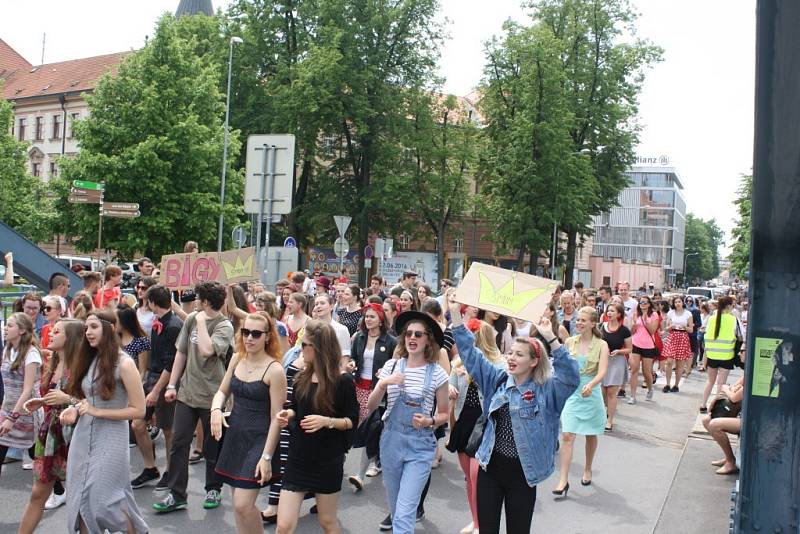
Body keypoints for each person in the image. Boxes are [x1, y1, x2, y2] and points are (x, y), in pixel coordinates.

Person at [449, 291, 579, 534]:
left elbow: (571, 376)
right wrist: (456, 314)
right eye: (510, 353)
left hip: (523, 474)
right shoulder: (497, 380)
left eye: (519, 355)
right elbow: (471, 355)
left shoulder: (547, 391)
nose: (511, 358)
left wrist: (551, 338)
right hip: (490, 469)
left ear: (533, 362)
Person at [59, 310, 148, 533]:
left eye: (93, 327)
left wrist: (96, 411)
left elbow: (139, 410)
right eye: (86, 328)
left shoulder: (125, 363)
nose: (88, 332)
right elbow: (87, 400)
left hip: (111, 439)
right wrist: (74, 409)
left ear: (109, 328)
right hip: (83, 436)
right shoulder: (89, 359)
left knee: (106, 502)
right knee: (79, 499)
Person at [271, 320, 359, 534]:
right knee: (283, 526)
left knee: (327, 522)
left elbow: (352, 421)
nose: (300, 348)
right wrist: (288, 414)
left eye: (304, 344)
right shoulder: (301, 376)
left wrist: (326, 421)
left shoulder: (342, 381)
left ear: (318, 348)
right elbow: (295, 408)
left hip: (327, 460)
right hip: (298, 457)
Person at [366, 311, 450, 534]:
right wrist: (383, 384)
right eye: (408, 333)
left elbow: (444, 414)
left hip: (420, 446)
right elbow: (370, 406)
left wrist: (430, 420)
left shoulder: (438, 373)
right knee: (396, 511)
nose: (412, 338)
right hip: (390, 442)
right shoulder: (392, 367)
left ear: (428, 339)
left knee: (404, 514)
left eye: (419, 334)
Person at [154, 282, 234, 513]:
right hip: (187, 393)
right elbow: (182, 353)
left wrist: (200, 321)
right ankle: (177, 494)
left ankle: (213, 489)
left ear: (206, 302)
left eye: (199, 299)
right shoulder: (190, 321)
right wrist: (171, 384)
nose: (195, 302)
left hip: (213, 397)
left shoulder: (224, 325)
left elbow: (207, 351)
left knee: (212, 446)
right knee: (179, 443)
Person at [211, 313, 287, 534]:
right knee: (238, 504)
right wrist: (216, 409)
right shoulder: (236, 358)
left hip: (260, 439)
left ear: (267, 337)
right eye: (245, 332)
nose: (249, 338)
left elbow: (277, 418)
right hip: (235, 435)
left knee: (243, 503)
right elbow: (222, 391)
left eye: (256, 333)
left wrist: (266, 457)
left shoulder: (275, 370)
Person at [18, 319, 84, 529]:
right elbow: (56, 395)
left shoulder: (83, 367)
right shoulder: (54, 362)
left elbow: (95, 402)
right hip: (51, 432)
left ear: (70, 339)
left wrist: (68, 401)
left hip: (76, 434)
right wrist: (42, 402)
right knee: (38, 494)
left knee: (82, 498)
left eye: (57, 331)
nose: (51, 334)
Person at [447, 319, 506, 534]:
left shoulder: (499, 364)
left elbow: (501, 393)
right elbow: (450, 385)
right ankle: (475, 521)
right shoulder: (458, 362)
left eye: (473, 337)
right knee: (468, 479)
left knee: (477, 478)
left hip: (485, 424)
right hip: (464, 421)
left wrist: (475, 377)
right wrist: (451, 389)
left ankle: (483, 525)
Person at [130, 285, 183, 491]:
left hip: (165, 382)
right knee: (137, 424)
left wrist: (156, 390)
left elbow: (172, 364)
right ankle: (150, 467)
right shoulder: (158, 323)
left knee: (169, 430)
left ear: (152, 302)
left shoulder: (173, 326)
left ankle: (171, 472)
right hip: (152, 378)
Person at [555, 307, 609, 493]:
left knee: (590, 433)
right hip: (572, 392)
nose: (579, 323)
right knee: (567, 435)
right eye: (577, 320)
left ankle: (587, 468)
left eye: (583, 320)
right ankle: (563, 480)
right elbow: (561, 364)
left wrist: (591, 385)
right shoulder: (570, 342)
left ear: (593, 323)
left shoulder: (602, 345)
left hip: (591, 392)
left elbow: (602, 371)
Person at [348, 302, 397, 492]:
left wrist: (385, 372)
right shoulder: (359, 338)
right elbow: (353, 358)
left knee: (370, 428)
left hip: (379, 391)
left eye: (371, 316)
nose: (367, 320)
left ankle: (362, 472)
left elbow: (397, 364)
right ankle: (377, 459)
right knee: (363, 427)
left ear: (380, 319)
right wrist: (352, 364)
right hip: (360, 386)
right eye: (366, 316)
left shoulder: (390, 341)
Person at [0, 313, 41, 475]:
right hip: (8, 408)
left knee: (36, 455)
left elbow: (27, 390)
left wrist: (11, 418)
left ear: (22, 330)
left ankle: (59, 490)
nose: (5, 328)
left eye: (10, 325)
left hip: (27, 412)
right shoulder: (7, 350)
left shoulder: (31, 354)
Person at [700, 296, 739, 413]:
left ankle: (703, 405)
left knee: (710, 381)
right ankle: (715, 408)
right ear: (728, 306)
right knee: (721, 384)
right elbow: (738, 335)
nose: (733, 307)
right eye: (732, 305)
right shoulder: (732, 319)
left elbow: (706, 335)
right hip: (727, 355)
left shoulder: (712, 318)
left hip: (712, 354)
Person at [701, 375, 744, 475]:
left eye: (742, 357)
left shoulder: (756, 373)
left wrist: (726, 389)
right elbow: (734, 387)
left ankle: (731, 462)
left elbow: (734, 397)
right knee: (706, 420)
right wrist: (732, 390)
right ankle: (729, 457)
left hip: (749, 420)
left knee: (714, 425)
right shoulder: (749, 371)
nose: (740, 358)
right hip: (740, 414)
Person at [600, 303, 631, 431]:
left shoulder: (624, 330)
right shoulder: (602, 326)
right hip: (603, 361)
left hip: (617, 362)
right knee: (602, 392)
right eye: (608, 311)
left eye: (612, 311)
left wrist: (619, 351)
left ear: (619, 314)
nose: (609, 313)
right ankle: (602, 415)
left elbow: (630, 349)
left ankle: (609, 420)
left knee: (612, 393)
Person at [628, 296, 660, 404]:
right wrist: (633, 325)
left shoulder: (654, 315)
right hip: (635, 343)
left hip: (648, 345)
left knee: (646, 372)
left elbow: (652, 331)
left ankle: (650, 389)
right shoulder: (636, 314)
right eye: (641, 302)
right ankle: (632, 396)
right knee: (634, 369)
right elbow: (632, 332)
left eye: (645, 302)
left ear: (649, 304)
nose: (643, 304)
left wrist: (646, 321)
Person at [662, 296, 694, 393]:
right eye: (675, 302)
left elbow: (691, 330)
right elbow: (666, 328)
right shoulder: (671, 313)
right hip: (672, 336)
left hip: (683, 336)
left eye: (679, 301)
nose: (677, 304)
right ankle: (667, 384)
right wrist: (670, 326)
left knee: (680, 363)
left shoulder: (688, 314)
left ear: (682, 302)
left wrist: (685, 326)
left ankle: (676, 385)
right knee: (669, 361)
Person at [116, 303, 151, 378]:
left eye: (116, 321)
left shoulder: (141, 341)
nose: (113, 323)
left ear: (124, 322)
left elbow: (142, 371)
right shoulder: (113, 338)